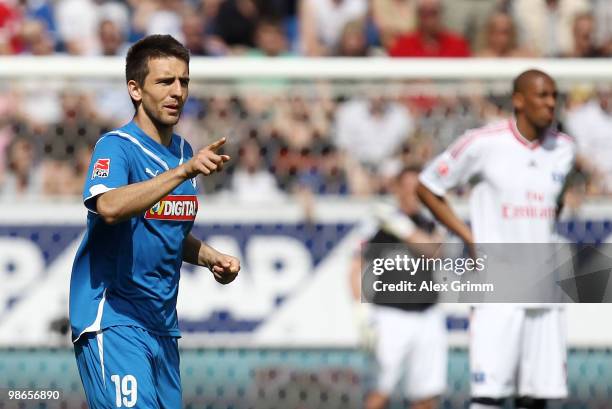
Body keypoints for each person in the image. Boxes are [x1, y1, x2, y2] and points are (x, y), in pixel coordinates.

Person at [69, 34, 240, 408]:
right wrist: (182, 173)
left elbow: (164, 229)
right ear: (135, 89)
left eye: (184, 81)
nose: (177, 91)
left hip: (162, 327)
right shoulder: (117, 147)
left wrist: (212, 258)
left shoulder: (182, 151)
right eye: (165, 81)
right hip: (114, 318)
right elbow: (109, 206)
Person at [417, 70, 576, 409]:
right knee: (488, 396)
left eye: (554, 95)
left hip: (546, 286)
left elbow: (554, 203)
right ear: (518, 99)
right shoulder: (483, 143)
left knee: (537, 398)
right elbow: (428, 186)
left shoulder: (564, 148)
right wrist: (468, 237)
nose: (551, 103)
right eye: (542, 95)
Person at [350, 166, 446, 409]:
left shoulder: (429, 223)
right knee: (380, 391)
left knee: (426, 396)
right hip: (390, 316)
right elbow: (354, 269)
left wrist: (403, 228)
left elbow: (435, 252)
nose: (413, 195)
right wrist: (361, 312)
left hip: (427, 316)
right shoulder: (378, 224)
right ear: (397, 189)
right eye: (408, 188)